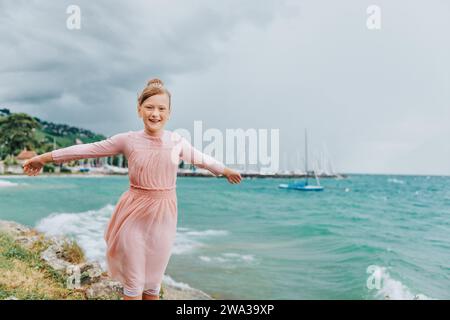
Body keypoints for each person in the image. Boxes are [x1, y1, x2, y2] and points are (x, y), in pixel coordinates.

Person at [23, 78, 242, 300]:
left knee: (153, 286)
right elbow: (87, 150)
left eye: (161, 108)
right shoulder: (127, 140)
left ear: (169, 113)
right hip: (134, 214)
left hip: (164, 218)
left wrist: (225, 170)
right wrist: (43, 158)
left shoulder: (177, 142)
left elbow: (202, 159)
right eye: (149, 107)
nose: (155, 113)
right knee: (134, 284)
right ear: (139, 110)